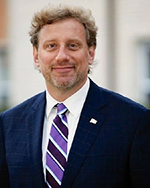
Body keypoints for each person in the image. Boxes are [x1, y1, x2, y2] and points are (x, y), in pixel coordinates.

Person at [0, 4, 150, 188]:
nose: (61, 56)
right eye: (51, 46)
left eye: (72, 45)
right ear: (36, 55)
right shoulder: (8, 124)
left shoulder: (133, 121)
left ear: (90, 52)